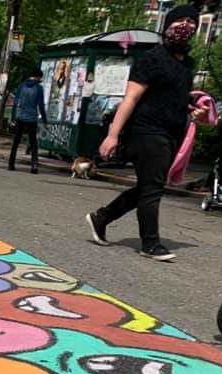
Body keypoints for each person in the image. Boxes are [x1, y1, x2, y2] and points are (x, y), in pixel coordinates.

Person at [86, 4, 205, 261]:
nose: (185, 27)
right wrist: (112, 135)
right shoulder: (152, 58)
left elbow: (177, 99)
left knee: (147, 187)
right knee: (152, 189)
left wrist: (193, 110)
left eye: (190, 22)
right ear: (166, 27)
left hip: (172, 133)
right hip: (147, 132)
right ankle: (150, 243)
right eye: (179, 22)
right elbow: (130, 98)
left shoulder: (187, 65)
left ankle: (101, 217)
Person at [7, 68, 48, 174]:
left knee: (16, 141)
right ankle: (34, 165)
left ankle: (11, 163)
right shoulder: (39, 88)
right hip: (32, 118)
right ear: (38, 77)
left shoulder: (21, 86)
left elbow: (15, 103)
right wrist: (44, 120)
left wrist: (13, 118)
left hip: (20, 117)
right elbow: (41, 106)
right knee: (33, 142)